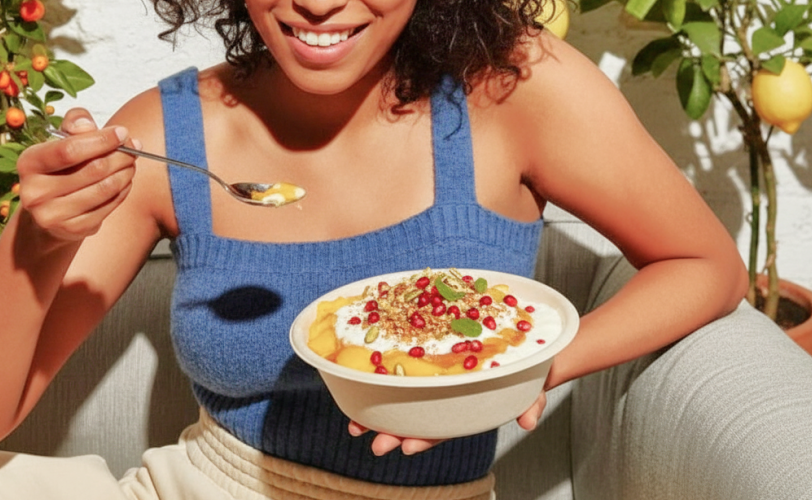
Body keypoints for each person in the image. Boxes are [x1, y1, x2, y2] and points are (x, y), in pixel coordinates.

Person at [0, 0, 747, 497]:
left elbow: (705, 266)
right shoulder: (166, 133)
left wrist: (519, 371)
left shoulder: (517, 89)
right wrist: (35, 242)